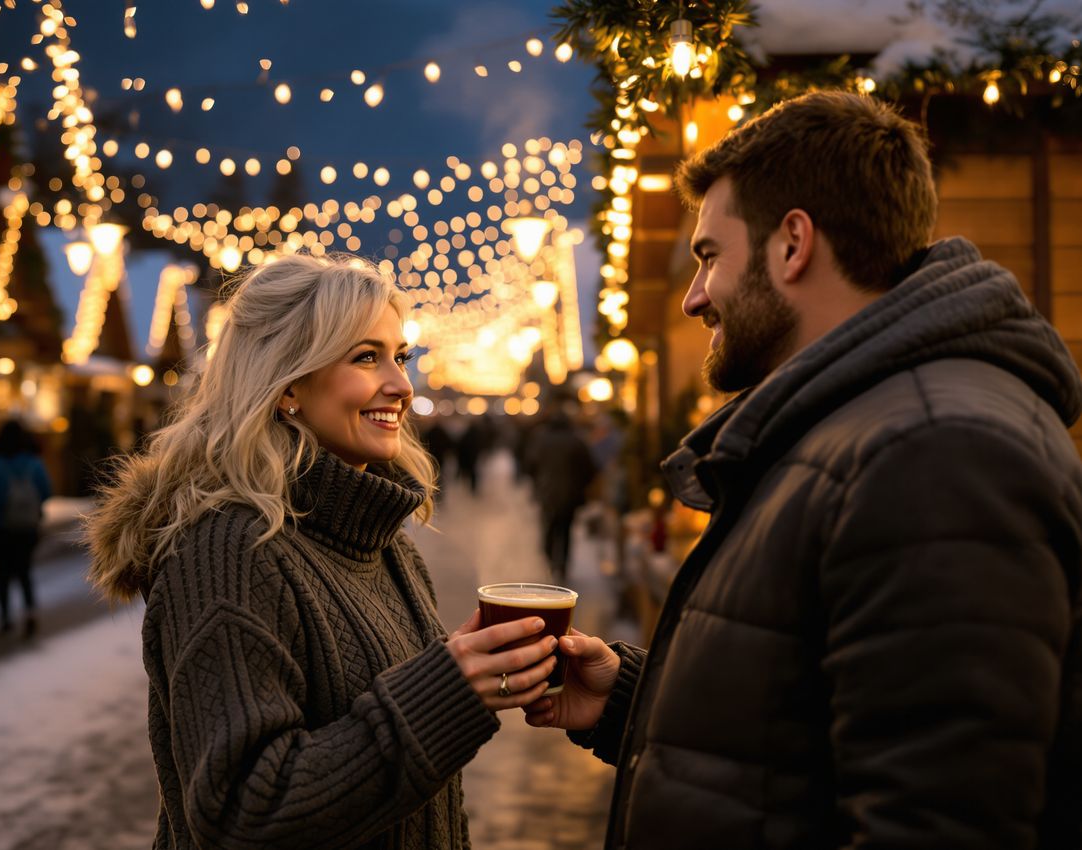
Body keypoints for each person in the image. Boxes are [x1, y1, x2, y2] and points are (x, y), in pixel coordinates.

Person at [524, 91, 1082, 848]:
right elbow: (811, 742)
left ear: (793, 244)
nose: (693, 298)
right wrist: (633, 700)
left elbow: (934, 819)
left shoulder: (932, 453)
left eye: (709, 256)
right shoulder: (862, 427)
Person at [85, 254, 557, 849]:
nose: (402, 386)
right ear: (287, 385)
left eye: (400, 356)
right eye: (366, 357)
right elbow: (242, 814)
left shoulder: (385, 547)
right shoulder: (231, 550)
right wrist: (447, 693)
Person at [0, 419, 52, 637]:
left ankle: (5, 618)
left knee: (1, 575)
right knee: (25, 570)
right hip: (26, 527)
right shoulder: (33, 463)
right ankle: (30, 613)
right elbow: (46, 490)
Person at [524, 407, 597, 583]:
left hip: (547, 492)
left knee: (549, 527)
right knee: (565, 530)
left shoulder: (540, 439)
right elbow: (589, 468)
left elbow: (530, 464)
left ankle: (550, 559)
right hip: (570, 493)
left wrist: (538, 483)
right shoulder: (576, 440)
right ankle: (562, 565)